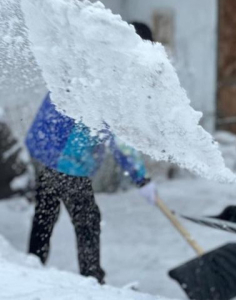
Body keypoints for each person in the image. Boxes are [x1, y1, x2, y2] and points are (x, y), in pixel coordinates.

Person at [26, 22, 157, 283]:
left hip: (45, 144)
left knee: (46, 212)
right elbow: (117, 137)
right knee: (87, 220)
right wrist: (140, 177)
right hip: (66, 157)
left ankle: (31, 265)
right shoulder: (112, 73)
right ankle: (92, 280)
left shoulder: (94, 55)